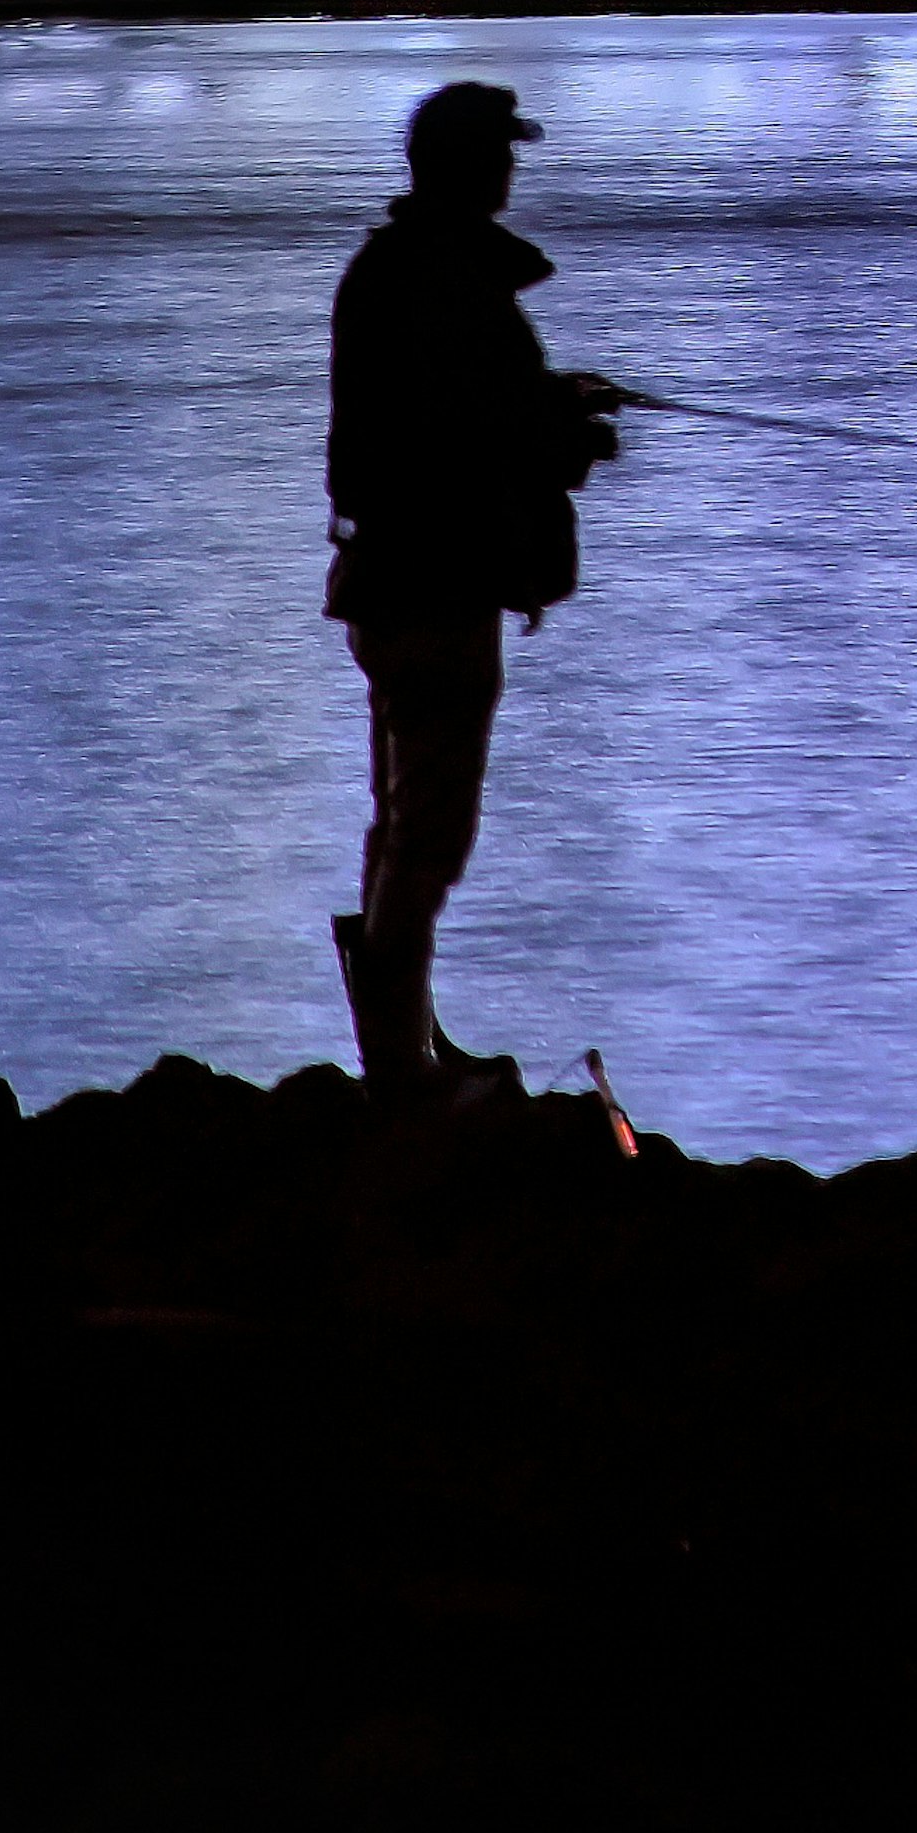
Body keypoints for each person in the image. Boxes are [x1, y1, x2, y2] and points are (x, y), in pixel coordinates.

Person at [323, 78, 623, 1092]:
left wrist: (551, 407)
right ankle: (401, 1077)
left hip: (387, 587)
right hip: (434, 592)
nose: (512, 167)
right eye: (500, 151)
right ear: (462, 164)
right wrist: (570, 433)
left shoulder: (396, 269)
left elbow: (454, 410)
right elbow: (477, 427)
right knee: (429, 839)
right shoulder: (450, 280)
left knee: (400, 822)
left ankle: (399, 1050)